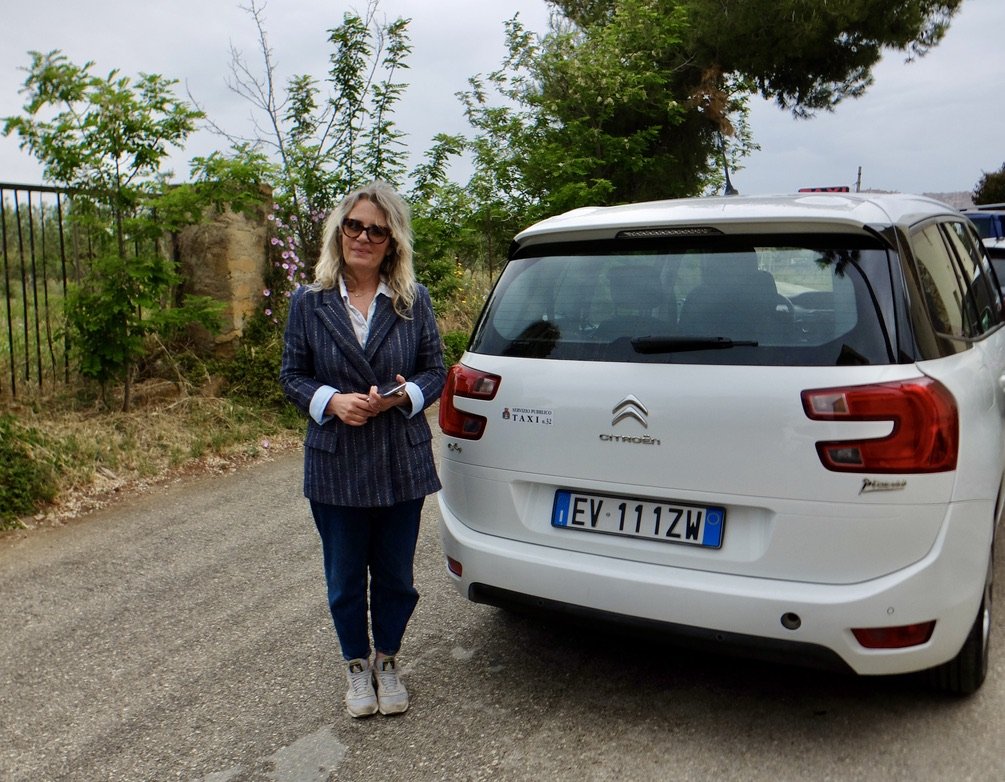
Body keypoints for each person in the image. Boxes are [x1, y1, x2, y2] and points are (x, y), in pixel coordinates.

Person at [280, 181, 446, 718]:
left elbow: (435, 371)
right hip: (337, 463)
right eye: (355, 225)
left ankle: (389, 659)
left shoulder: (411, 301)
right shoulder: (309, 302)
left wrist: (401, 396)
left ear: (393, 240)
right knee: (345, 576)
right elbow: (293, 376)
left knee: (396, 575)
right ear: (339, 231)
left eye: (378, 229)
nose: (364, 237)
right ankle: (356, 666)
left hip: (401, 456)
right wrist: (331, 402)